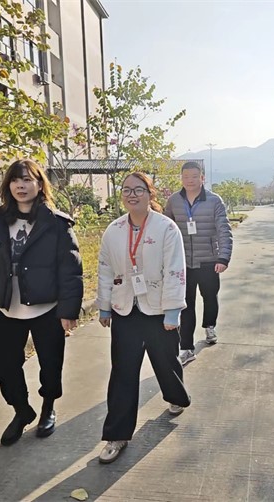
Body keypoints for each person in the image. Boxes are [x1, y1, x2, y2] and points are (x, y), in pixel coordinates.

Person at [0, 159, 83, 446]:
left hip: (47, 308)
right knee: (5, 364)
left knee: (50, 363)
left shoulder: (56, 224)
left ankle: (48, 408)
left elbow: (70, 269)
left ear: (40, 184)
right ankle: (22, 411)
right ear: (8, 185)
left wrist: (69, 310)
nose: (21, 185)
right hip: (9, 309)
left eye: (27, 179)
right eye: (15, 180)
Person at [95, 172, 191, 464]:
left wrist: (173, 310)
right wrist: (105, 306)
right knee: (122, 372)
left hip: (159, 309)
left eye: (138, 190)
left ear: (150, 194)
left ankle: (176, 397)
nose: (132, 195)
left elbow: (175, 269)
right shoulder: (113, 230)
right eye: (127, 190)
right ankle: (117, 435)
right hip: (125, 309)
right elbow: (105, 269)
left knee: (166, 361)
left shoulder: (166, 228)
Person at [164, 161, 233, 366]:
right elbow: (166, 229)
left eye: (194, 176)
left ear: (202, 178)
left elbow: (224, 229)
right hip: (182, 263)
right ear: (181, 178)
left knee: (210, 297)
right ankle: (186, 348)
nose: (190, 180)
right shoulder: (173, 201)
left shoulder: (214, 200)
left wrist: (223, 257)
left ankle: (210, 326)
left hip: (209, 260)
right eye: (186, 177)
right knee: (186, 305)